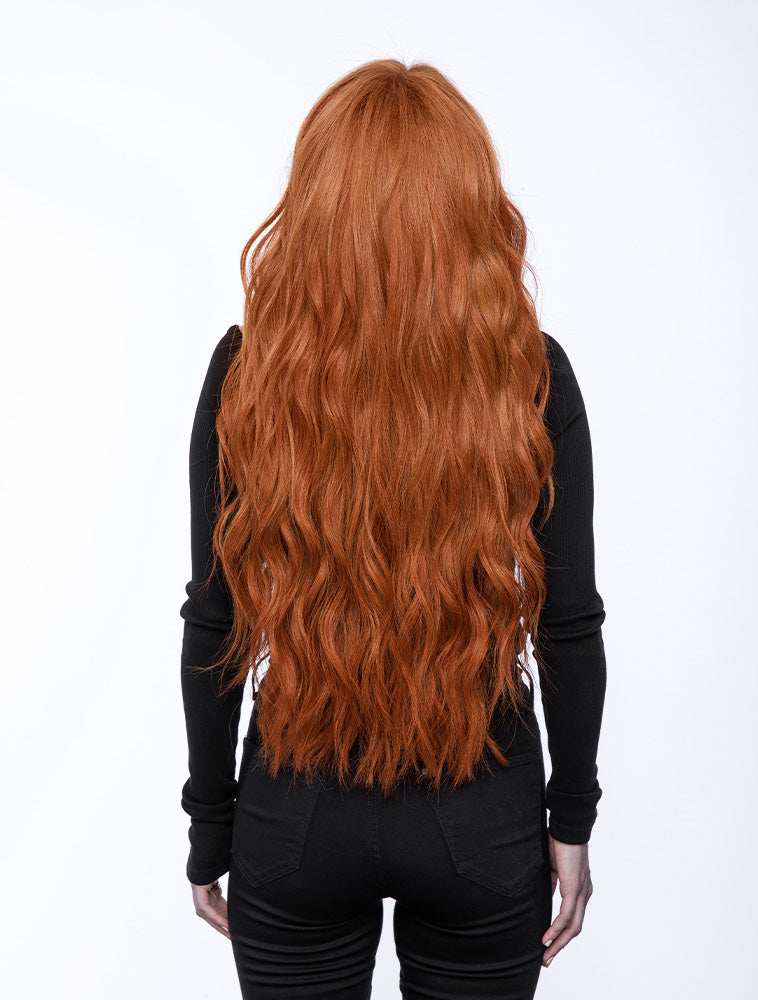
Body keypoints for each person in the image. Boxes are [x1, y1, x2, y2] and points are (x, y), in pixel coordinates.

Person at [179, 59, 607, 1000]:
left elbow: (214, 620)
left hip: (297, 814)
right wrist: (570, 822)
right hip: (478, 812)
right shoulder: (532, 375)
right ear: (469, 205)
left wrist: (210, 826)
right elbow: (568, 624)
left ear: (316, 203)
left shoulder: (248, 372)